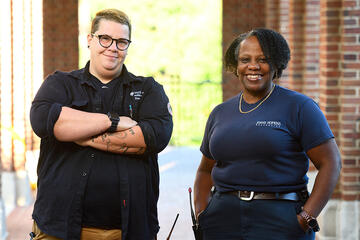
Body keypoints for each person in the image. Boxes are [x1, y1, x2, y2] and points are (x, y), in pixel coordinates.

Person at [30, 9, 173, 240]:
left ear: (128, 45)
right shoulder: (60, 84)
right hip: (59, 228)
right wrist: (113, 121)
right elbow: (42, 120)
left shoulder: (148, 90)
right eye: (105, 38)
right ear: (90, 39)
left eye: (121, 41)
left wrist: (77, 133)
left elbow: (153, 137)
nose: (113, 47)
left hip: (127, 231)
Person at [193, 28, 341, 240]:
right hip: (222, 220)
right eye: (245, 59)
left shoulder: (300, 107)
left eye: (263, 59)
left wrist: (306, 217)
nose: (253, 66)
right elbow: (205, 170)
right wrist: (202, 214)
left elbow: (331, 162)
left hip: (281, 220)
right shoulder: (220, 113)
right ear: (236, 65)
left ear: (276, 64)